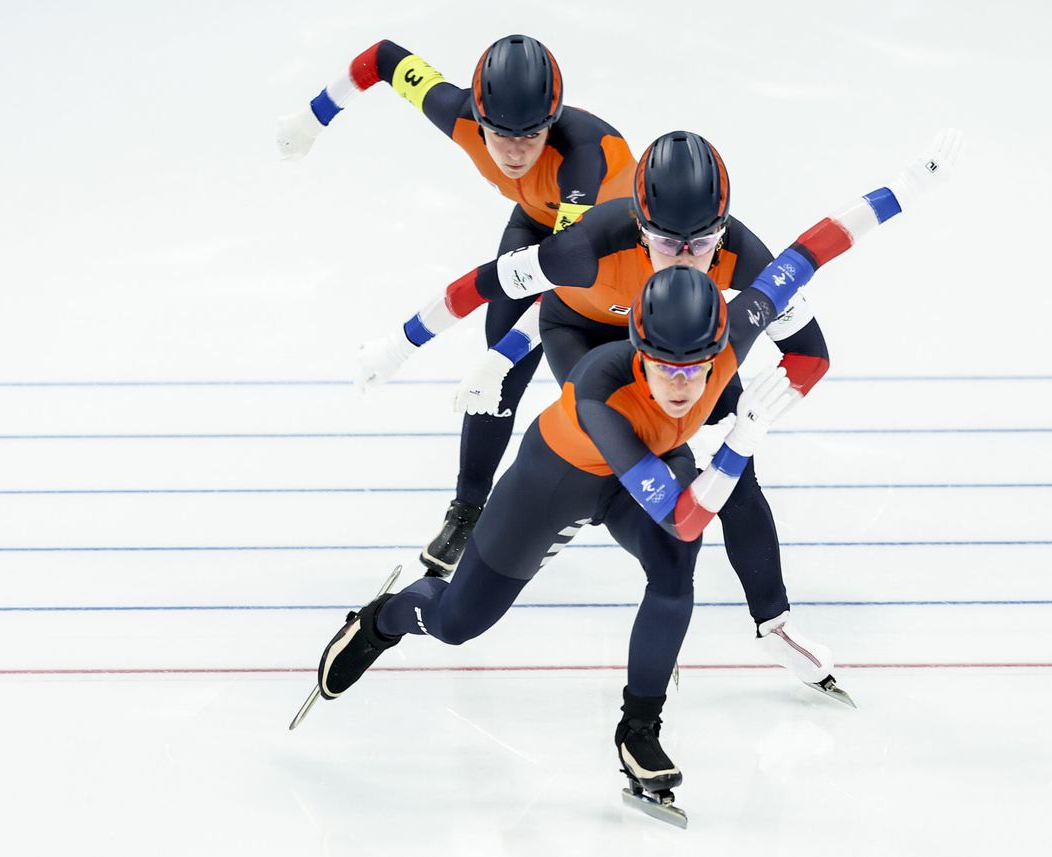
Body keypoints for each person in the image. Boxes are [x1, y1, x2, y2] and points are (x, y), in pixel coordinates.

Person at [299, 129, 962, 825]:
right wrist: (740, 438)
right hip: (560, 475)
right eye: (666, 367)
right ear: (637, 347)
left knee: (677, 565)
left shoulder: (735, 326)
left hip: (642, 459)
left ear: (725, 347)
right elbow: (681, 506)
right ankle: (384, 619)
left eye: (699, 367)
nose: (683, 385)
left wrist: (911, 185)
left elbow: (817, 249)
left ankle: (638, 728)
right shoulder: (597, 380)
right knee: (460, 623)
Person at [356, 130, 844, 699]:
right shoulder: (587, 245)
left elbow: (810, 349)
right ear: (639, 226)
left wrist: (762, 410)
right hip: (585, 336)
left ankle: (771, 623)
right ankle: (581, 537)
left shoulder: (742, 253)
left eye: (703, 241)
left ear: (724, 229)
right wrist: (407, 345)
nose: (685, 257)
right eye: (666, 241)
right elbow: (495, 285)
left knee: (735, 472)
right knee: (642, 444)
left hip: (686, 344)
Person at [276, 35, 635, 574]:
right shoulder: (456, 112)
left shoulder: (582, 162)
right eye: (499, 135)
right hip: (540, 226)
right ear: (478, 117)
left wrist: (496, 355)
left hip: (612, 258)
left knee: (602, 392)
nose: (514, 152)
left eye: (532, 135)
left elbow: (562, 281)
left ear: (553, 121)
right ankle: (467, 512)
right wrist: (311, 118)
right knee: (498, 382)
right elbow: (383, 59)